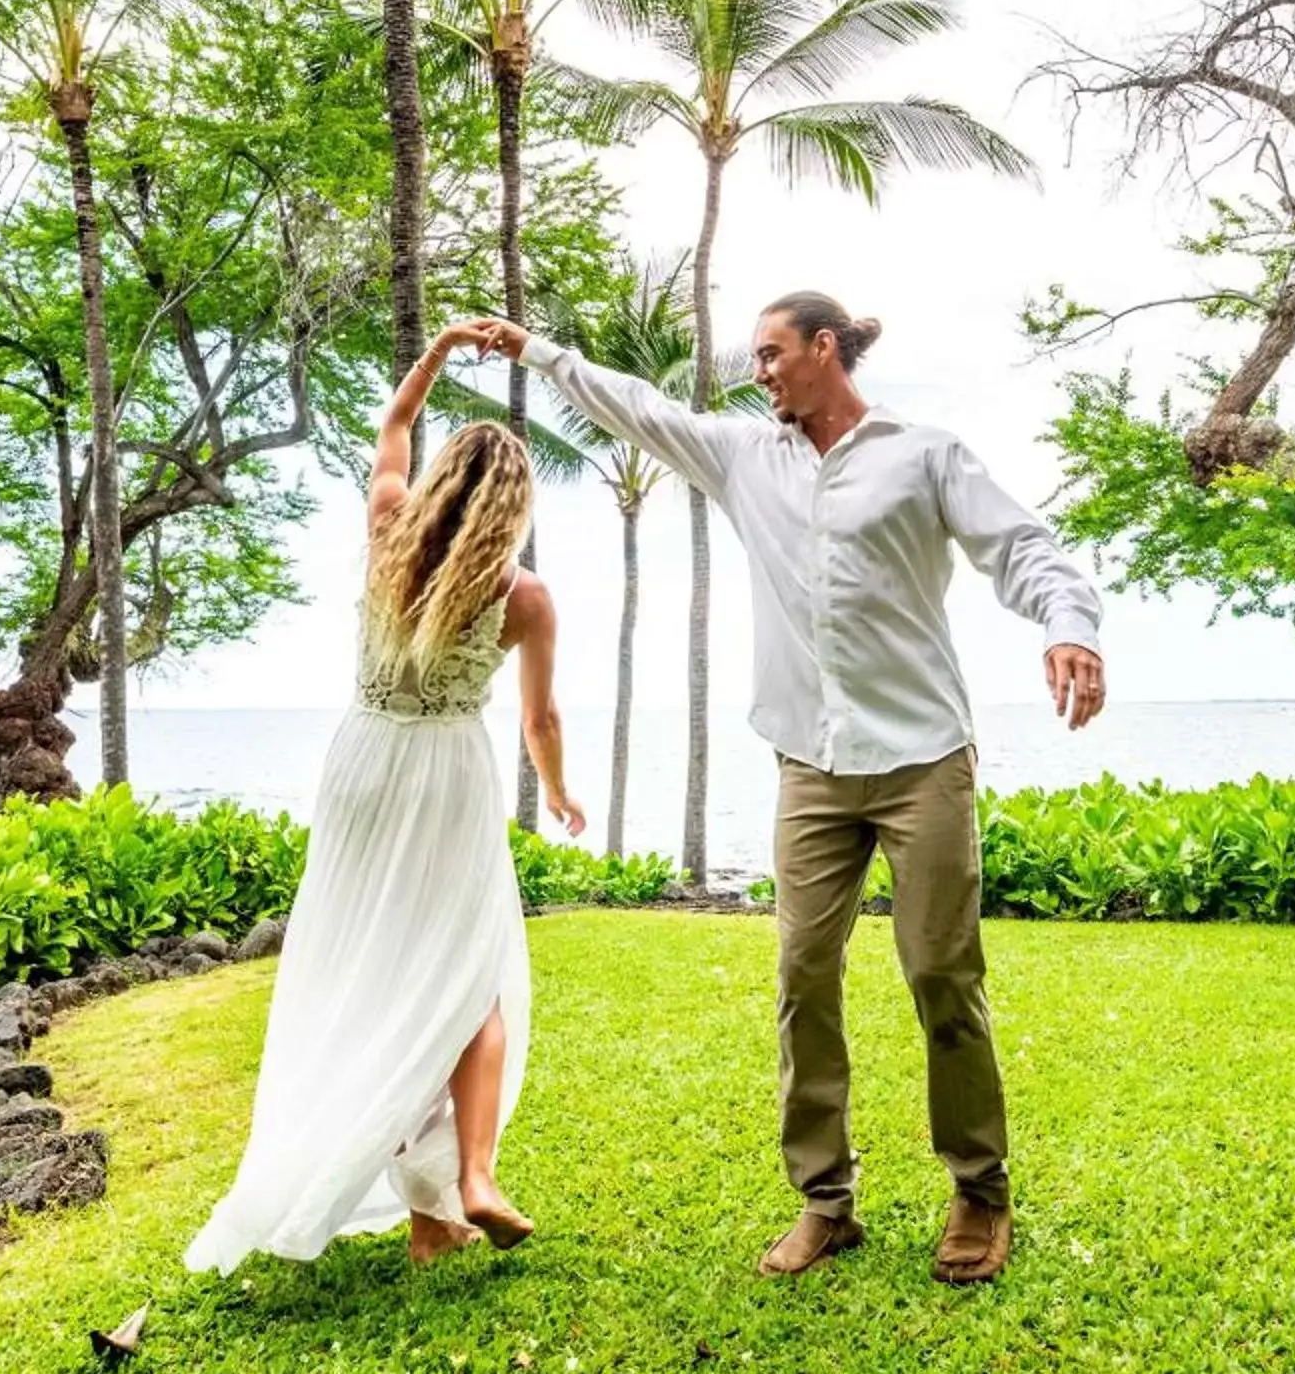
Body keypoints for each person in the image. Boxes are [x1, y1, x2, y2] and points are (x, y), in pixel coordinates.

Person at [473, 293, 1105, 1286]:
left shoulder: (922, 455)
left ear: (822, 349)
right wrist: (541, 353)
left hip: (920, 760)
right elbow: (641, 408)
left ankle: (978, 1191)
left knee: (942, 975)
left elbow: (1019, 548)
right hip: (808, 767)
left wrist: (1067, 624)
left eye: (770, 354)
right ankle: (826, 1202)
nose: (756, 371)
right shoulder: (742, 458)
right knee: (801, 978)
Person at [186, 325, 585, 1279]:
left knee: (382, 975)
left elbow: (396, 421)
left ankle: (429, 1217)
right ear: (515, 506)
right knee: (468, 978)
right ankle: (474, 1177)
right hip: (447, 775)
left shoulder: (387, 529)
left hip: (363, 766)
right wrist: (562, 793)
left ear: (445, 478)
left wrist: (443, 345)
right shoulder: (520, 595)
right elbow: (541, 718)